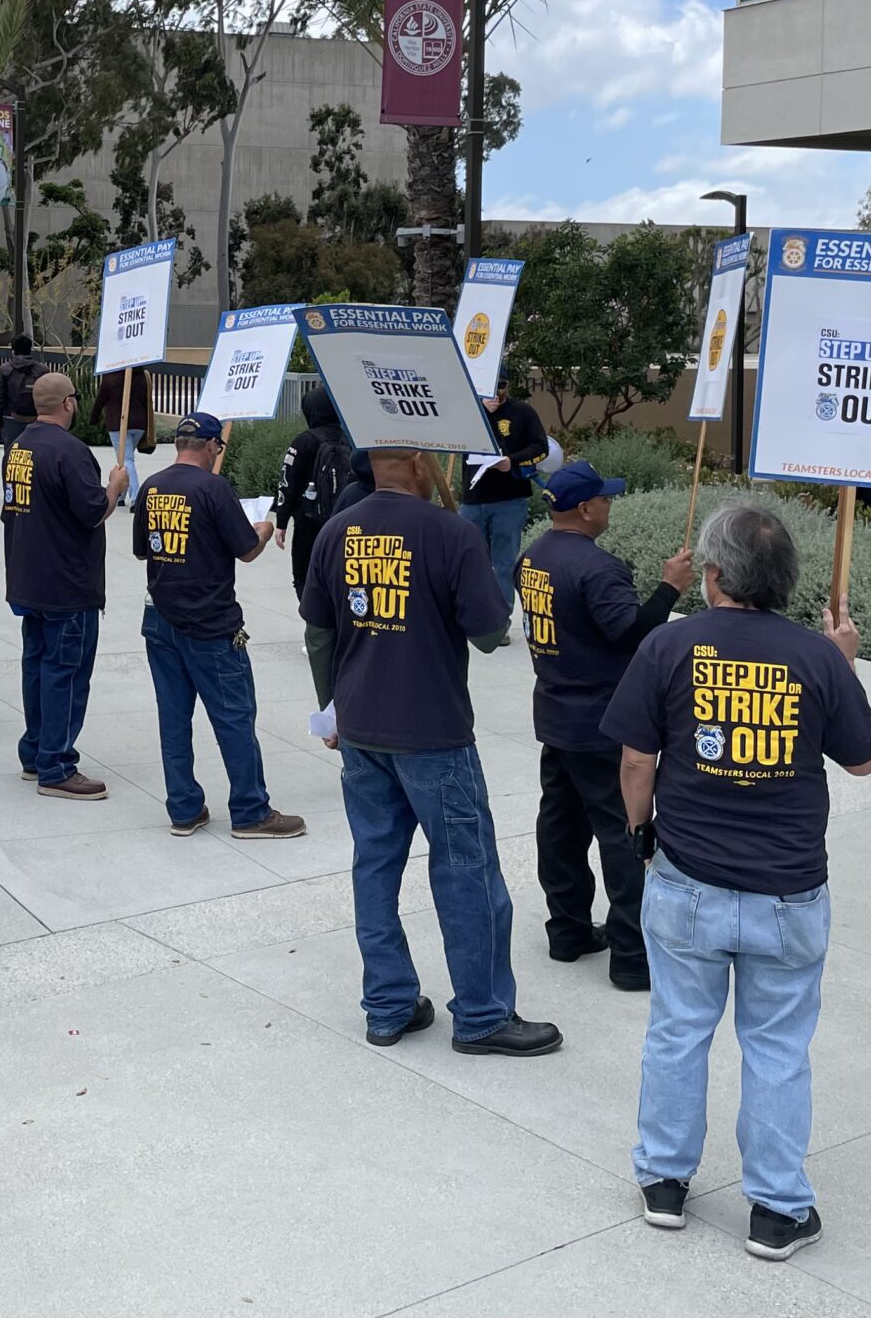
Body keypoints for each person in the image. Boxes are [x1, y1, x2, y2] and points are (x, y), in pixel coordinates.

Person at [605, 502, 871, 1262]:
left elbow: (636, 759)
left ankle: (663, 1182)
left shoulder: (669, 644)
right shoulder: (818, 657)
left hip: (688, 881)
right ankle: (777, 1209)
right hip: (788, 893)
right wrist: (845, 661)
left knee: (676, 1031)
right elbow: (861, 760)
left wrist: (640, 833)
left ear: (716, 575)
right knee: (778, 1048)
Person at [301, 446, 559, 1059]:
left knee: (374, 866)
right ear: (421, 463)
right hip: (433, 732)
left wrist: (332, 709)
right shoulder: (451, 532)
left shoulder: (338, 530)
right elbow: (491, 634)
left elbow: (319, 630)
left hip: (361, 729)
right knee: (467, 871)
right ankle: (482, 1014)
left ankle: (388, 1006)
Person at [515, 461, 693, 992]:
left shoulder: (533, 556)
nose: (610, 506)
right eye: (606, 499)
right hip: (601, 721)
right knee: (624, 832)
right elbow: (631, 634)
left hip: (556, 713)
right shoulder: (597, 567)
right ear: (587, 508)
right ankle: (632, 956)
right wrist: (669, 588)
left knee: (562, 826)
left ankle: (567, 930)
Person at [129, 412, 304, 839]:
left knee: (174, 718)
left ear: (178, 445)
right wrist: (262, 529)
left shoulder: (151, 487)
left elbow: (140, 550)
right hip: (210, 621)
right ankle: (250, 811)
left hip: (160, 616)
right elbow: (246, 551)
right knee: (234, 718)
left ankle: (184, 808)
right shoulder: (214, 488)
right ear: (210, 445)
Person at [1, 370, 128, 799]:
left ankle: (36, 751)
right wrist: (114, 487)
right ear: (69, 403)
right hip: (66, 583)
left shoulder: (18, 446)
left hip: (29, 576)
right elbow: (92, 512)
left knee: (37, 666)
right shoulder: (70, 452)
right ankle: (56, 764)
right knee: (66, 672)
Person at [458, 374, 547, 617]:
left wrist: (513, 461)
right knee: (468, 561)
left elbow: (541, 447)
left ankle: (499, 621)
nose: (497, 391)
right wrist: (482, 413)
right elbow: (455, 441)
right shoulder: (469, 413)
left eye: (502, 385)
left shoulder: (523, 412)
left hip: (509, 499)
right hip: (473, 499)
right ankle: (473, 616)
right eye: (491, 385)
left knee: (503, 563)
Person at [271, 382, 351, 597]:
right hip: (344, 521)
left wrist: (281, 522)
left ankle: (313, 621)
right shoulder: (350, 439)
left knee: (304, 577)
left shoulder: (304, 441)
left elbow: (288, 481)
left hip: (308, 521)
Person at [0, 335, 45, 447]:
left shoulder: (5, 370)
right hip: (37, 420)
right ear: (29, 350)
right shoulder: (42, 370)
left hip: (11, 420)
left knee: (11, 454)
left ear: (13, 352)